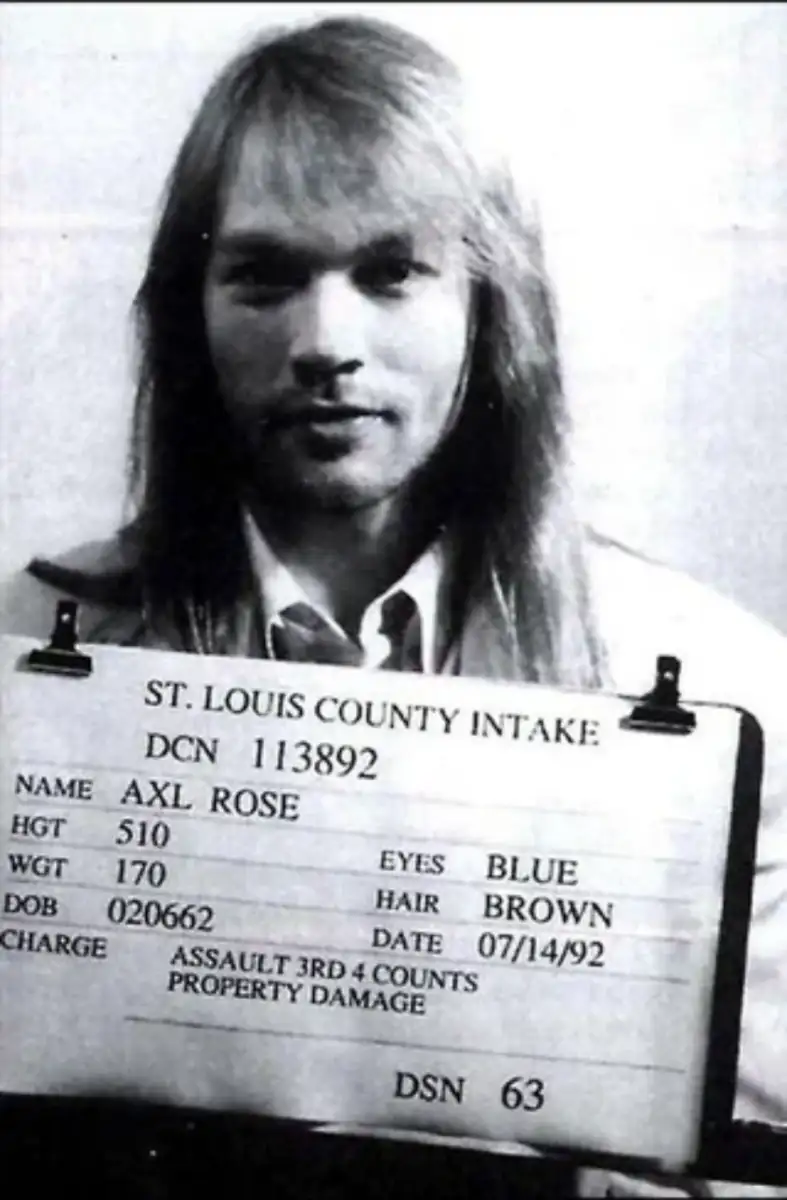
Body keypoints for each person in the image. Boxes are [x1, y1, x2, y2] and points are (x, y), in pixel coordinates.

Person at [4, 13, 786, 1198]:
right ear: (188, 308)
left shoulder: (726, 690)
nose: (326, 343)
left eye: (390, 272)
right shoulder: (17, 660)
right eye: (263, 276)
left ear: (489, 306)